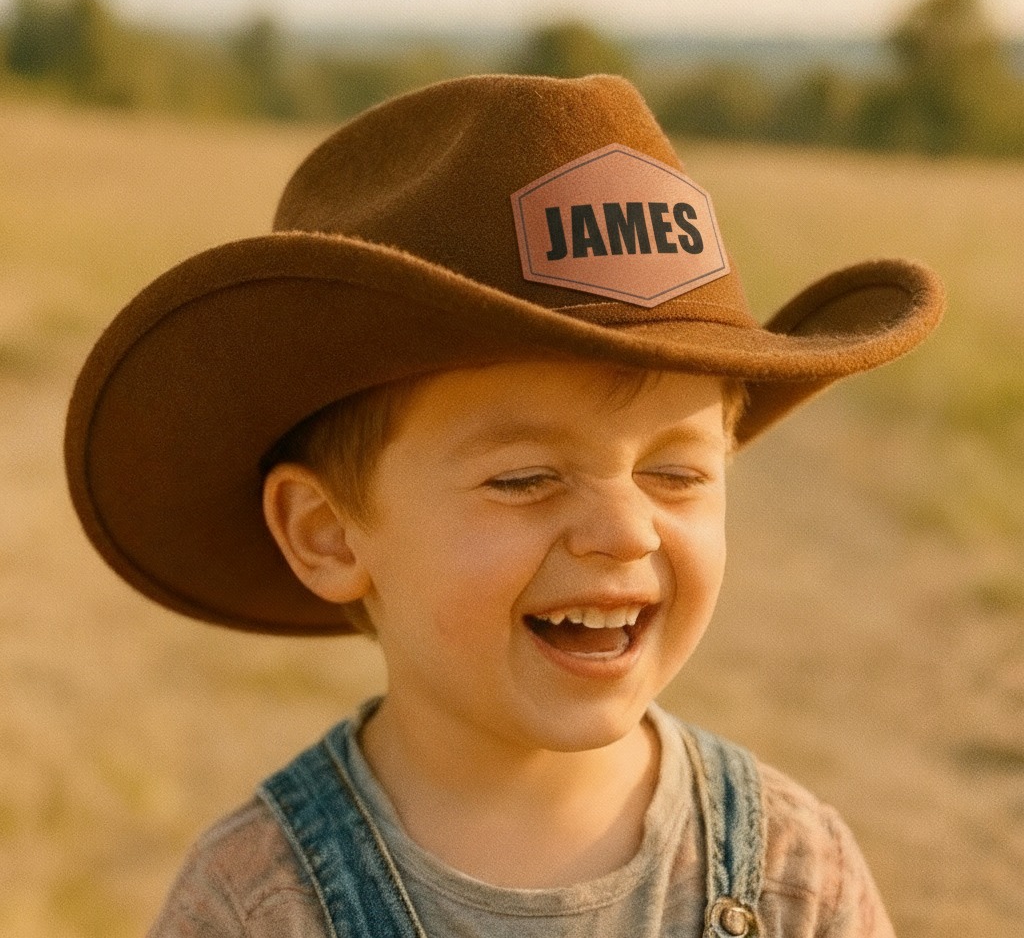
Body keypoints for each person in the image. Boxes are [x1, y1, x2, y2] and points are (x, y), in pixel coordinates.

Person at [65, 73, 945, 937]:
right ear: (327, 533)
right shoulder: (260, 907)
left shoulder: (794, 873)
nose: (625, 531)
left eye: (676, 473)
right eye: (524, 478)